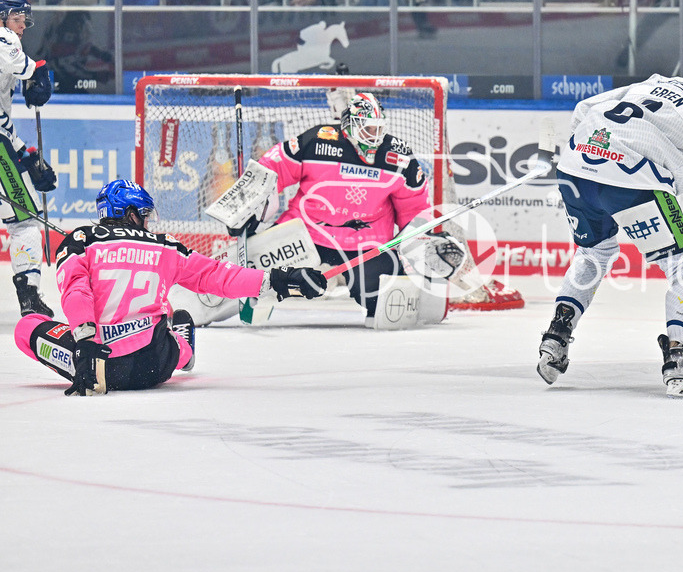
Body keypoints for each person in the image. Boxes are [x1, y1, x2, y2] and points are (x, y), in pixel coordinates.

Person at [537, 45, 683, 399]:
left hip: (576, 166)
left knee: (594, 253)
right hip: (633, 178)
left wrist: (586, 158)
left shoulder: (654, 82)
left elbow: (585, 109)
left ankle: (556, 334)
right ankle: (681, 360)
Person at [13, 179, 328, 396]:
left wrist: (84, 344)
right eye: (144, 215)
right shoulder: (166, 246)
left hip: (99, 368)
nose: (147, 221)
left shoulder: (79, 241)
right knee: (164, 311)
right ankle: (183, 348)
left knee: (26, 327)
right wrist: (276, 280)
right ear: (132, 213)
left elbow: (76, 291)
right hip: (156, 365)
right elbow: (220, 276)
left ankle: (172, 340)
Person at [225, 91, 459, 325]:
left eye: (378, 129)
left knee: (386, 309)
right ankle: (211, 294)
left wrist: (420, 239)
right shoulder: (318, 141)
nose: (374, 136)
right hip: (304, 232)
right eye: (368, 129)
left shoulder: (399, 155)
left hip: (367, 243)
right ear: (349, 126)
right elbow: (272, 167)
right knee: (255, 275)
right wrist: (249, 203)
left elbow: (414, 209)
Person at [0, 0, 54, 317]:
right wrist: (37, 72)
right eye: (17, 18)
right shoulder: (4, 38)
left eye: (23, 20)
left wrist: (26, 154)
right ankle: (29, 298)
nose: (21, 26)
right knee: (25, 223)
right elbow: (15, 59)